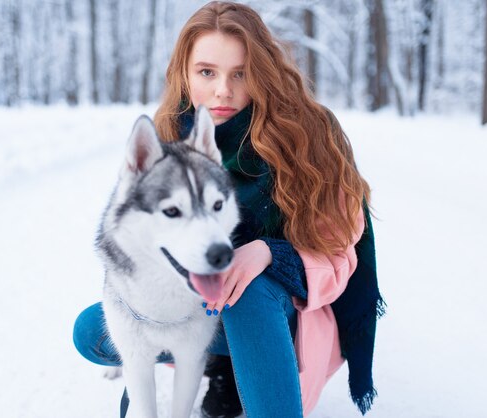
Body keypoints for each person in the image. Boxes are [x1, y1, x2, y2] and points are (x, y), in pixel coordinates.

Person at [73, 2, 385, 417]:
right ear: (184, 72)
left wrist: (272, 253)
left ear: (263, 71)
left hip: (280, 313)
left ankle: (253, 377)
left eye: (241, 73)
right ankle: (225, 366)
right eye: (207, 72)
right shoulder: (171, 133)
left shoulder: (310, 133)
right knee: (93, 330)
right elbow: (139, 236)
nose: (223, 90)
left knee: (247, 288)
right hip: (201, 307)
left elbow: (339, 254)